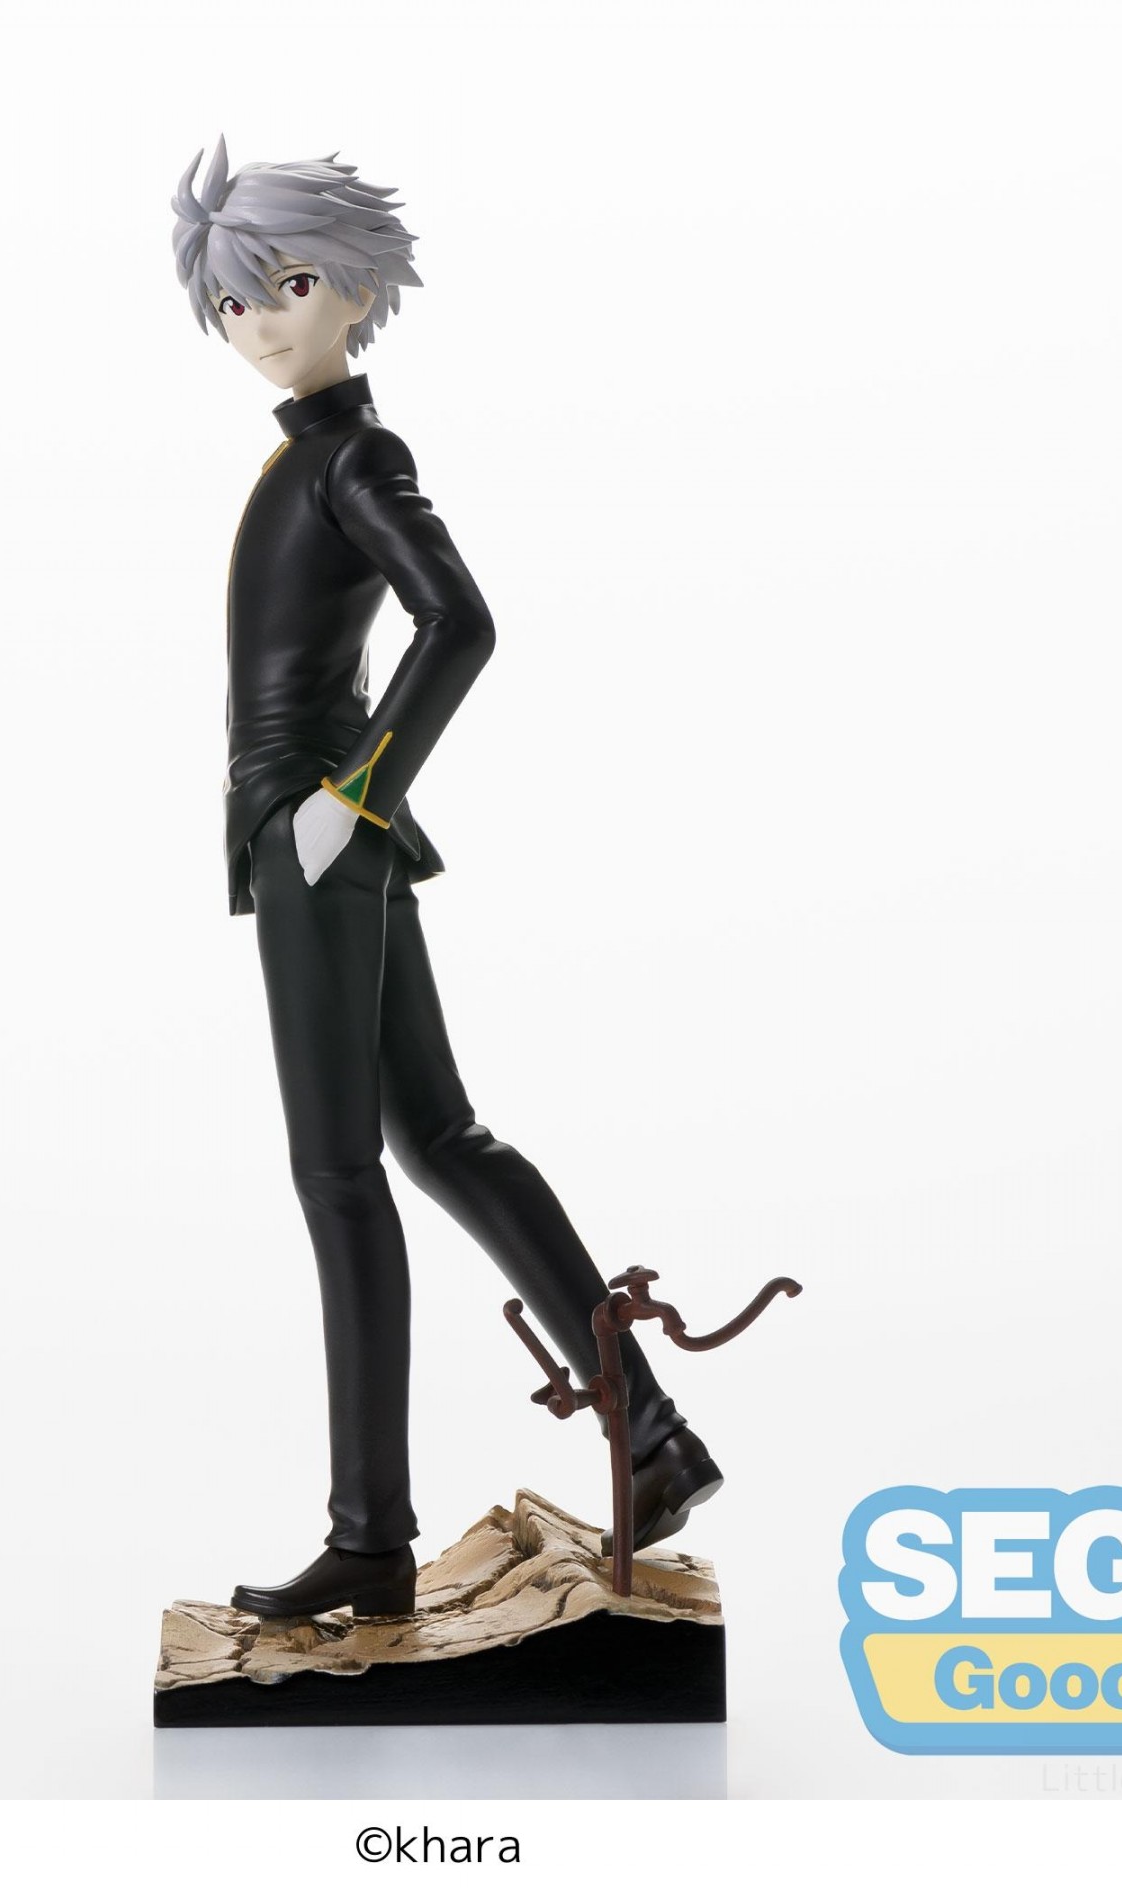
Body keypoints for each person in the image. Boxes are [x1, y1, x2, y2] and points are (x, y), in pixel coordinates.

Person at [171, 139, 720, 1619]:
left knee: (341, 1175)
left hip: (318, 832)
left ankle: (371, 1536)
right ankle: (654, 1435)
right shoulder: (309, 455)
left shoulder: (355, 457)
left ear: (356, 288)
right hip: (313, 831)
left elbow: (460, 622)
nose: (259, 320)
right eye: (232, 301)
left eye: (288, 284)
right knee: (440, 1138)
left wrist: (350, 797)